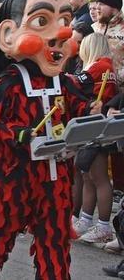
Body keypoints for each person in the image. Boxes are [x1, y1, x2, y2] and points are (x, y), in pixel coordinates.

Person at [0, 0, 101, 279]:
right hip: (14, 179)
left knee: (55, 247)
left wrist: (94, 112)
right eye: (42, 21)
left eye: (65, 20)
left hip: (55, 181)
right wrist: (20, 134)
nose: (61, 32)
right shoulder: (8, 82)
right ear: (9, 35)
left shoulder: (64, 83)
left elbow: (78, 108)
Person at [73, 33, 118, 244]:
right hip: (98, 123)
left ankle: (102, 225)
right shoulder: (109, 66)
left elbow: (74, 83)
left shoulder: (99, 66)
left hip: (97, 125)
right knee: (88, 175)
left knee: (97, 177)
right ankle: (86, 220)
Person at [92, 0, 124, 84]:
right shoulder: (93, 28)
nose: (97, 7)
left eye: (101, 4)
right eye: (97, 3)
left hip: (119, 90)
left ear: (114, 9)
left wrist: (117, 78)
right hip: (95, 87)